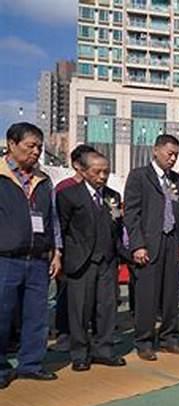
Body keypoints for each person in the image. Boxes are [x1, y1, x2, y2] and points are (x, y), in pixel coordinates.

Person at [0, 122, 62, 388]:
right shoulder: (2, 177)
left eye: (39, 147)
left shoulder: (43, 180)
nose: (36, 152)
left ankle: (31, 364)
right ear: (12, 144)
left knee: (36, 315)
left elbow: (53, 219)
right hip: (6, 259)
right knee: (2, 314)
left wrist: (56, 251)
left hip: (38, 259)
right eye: (30, 146)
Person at [57, 149, 127, 371]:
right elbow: (62, 228)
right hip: (81, 261)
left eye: (106, 171)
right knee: (80, 309)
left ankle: (103, 350)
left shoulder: (113, 196)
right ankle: (79, 353)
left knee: (106, 307)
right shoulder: (68, 195)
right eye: (97, 172)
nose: (102, 176)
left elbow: (117, 227)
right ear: (83, 170)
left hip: (107, 260)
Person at [123, 134, 179, 360]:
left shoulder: (176, 181)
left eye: (176, 155)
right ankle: (144, 341)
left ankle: (169, 338)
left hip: (172, 240)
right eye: (169, 154)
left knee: (171, 293)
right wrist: (137, 245)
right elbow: (131, 214)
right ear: (156, 151)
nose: (173, 159)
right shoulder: (139, 176)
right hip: (149, 242)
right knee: (147, 295)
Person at [51, 144, 100, 353]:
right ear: (78, 165)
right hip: (72, 254)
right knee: (67, 295)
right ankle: (65, 334)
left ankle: (88, 334)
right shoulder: (64, 189)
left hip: (95, 255)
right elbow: (58, 223)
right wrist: (58, 252)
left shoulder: (100, 191)